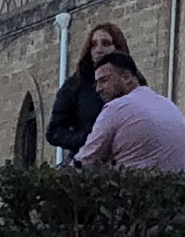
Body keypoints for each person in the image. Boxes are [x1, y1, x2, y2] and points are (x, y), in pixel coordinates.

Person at [73, 43, 185, 173]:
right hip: (181, 188)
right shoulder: (169, 106)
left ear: (126, 78)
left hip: (135, 190)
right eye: (97, 83)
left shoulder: (116, 108)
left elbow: (84, 161)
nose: (98, 89)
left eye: (104, 80)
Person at [45, 23, 133, 162]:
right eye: (94, 45)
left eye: (105, 43)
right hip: (85, 159)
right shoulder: (75, 85)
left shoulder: (131, 81)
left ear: (117, 47)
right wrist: (87, 138)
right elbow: (54, 132)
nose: (99, 50)